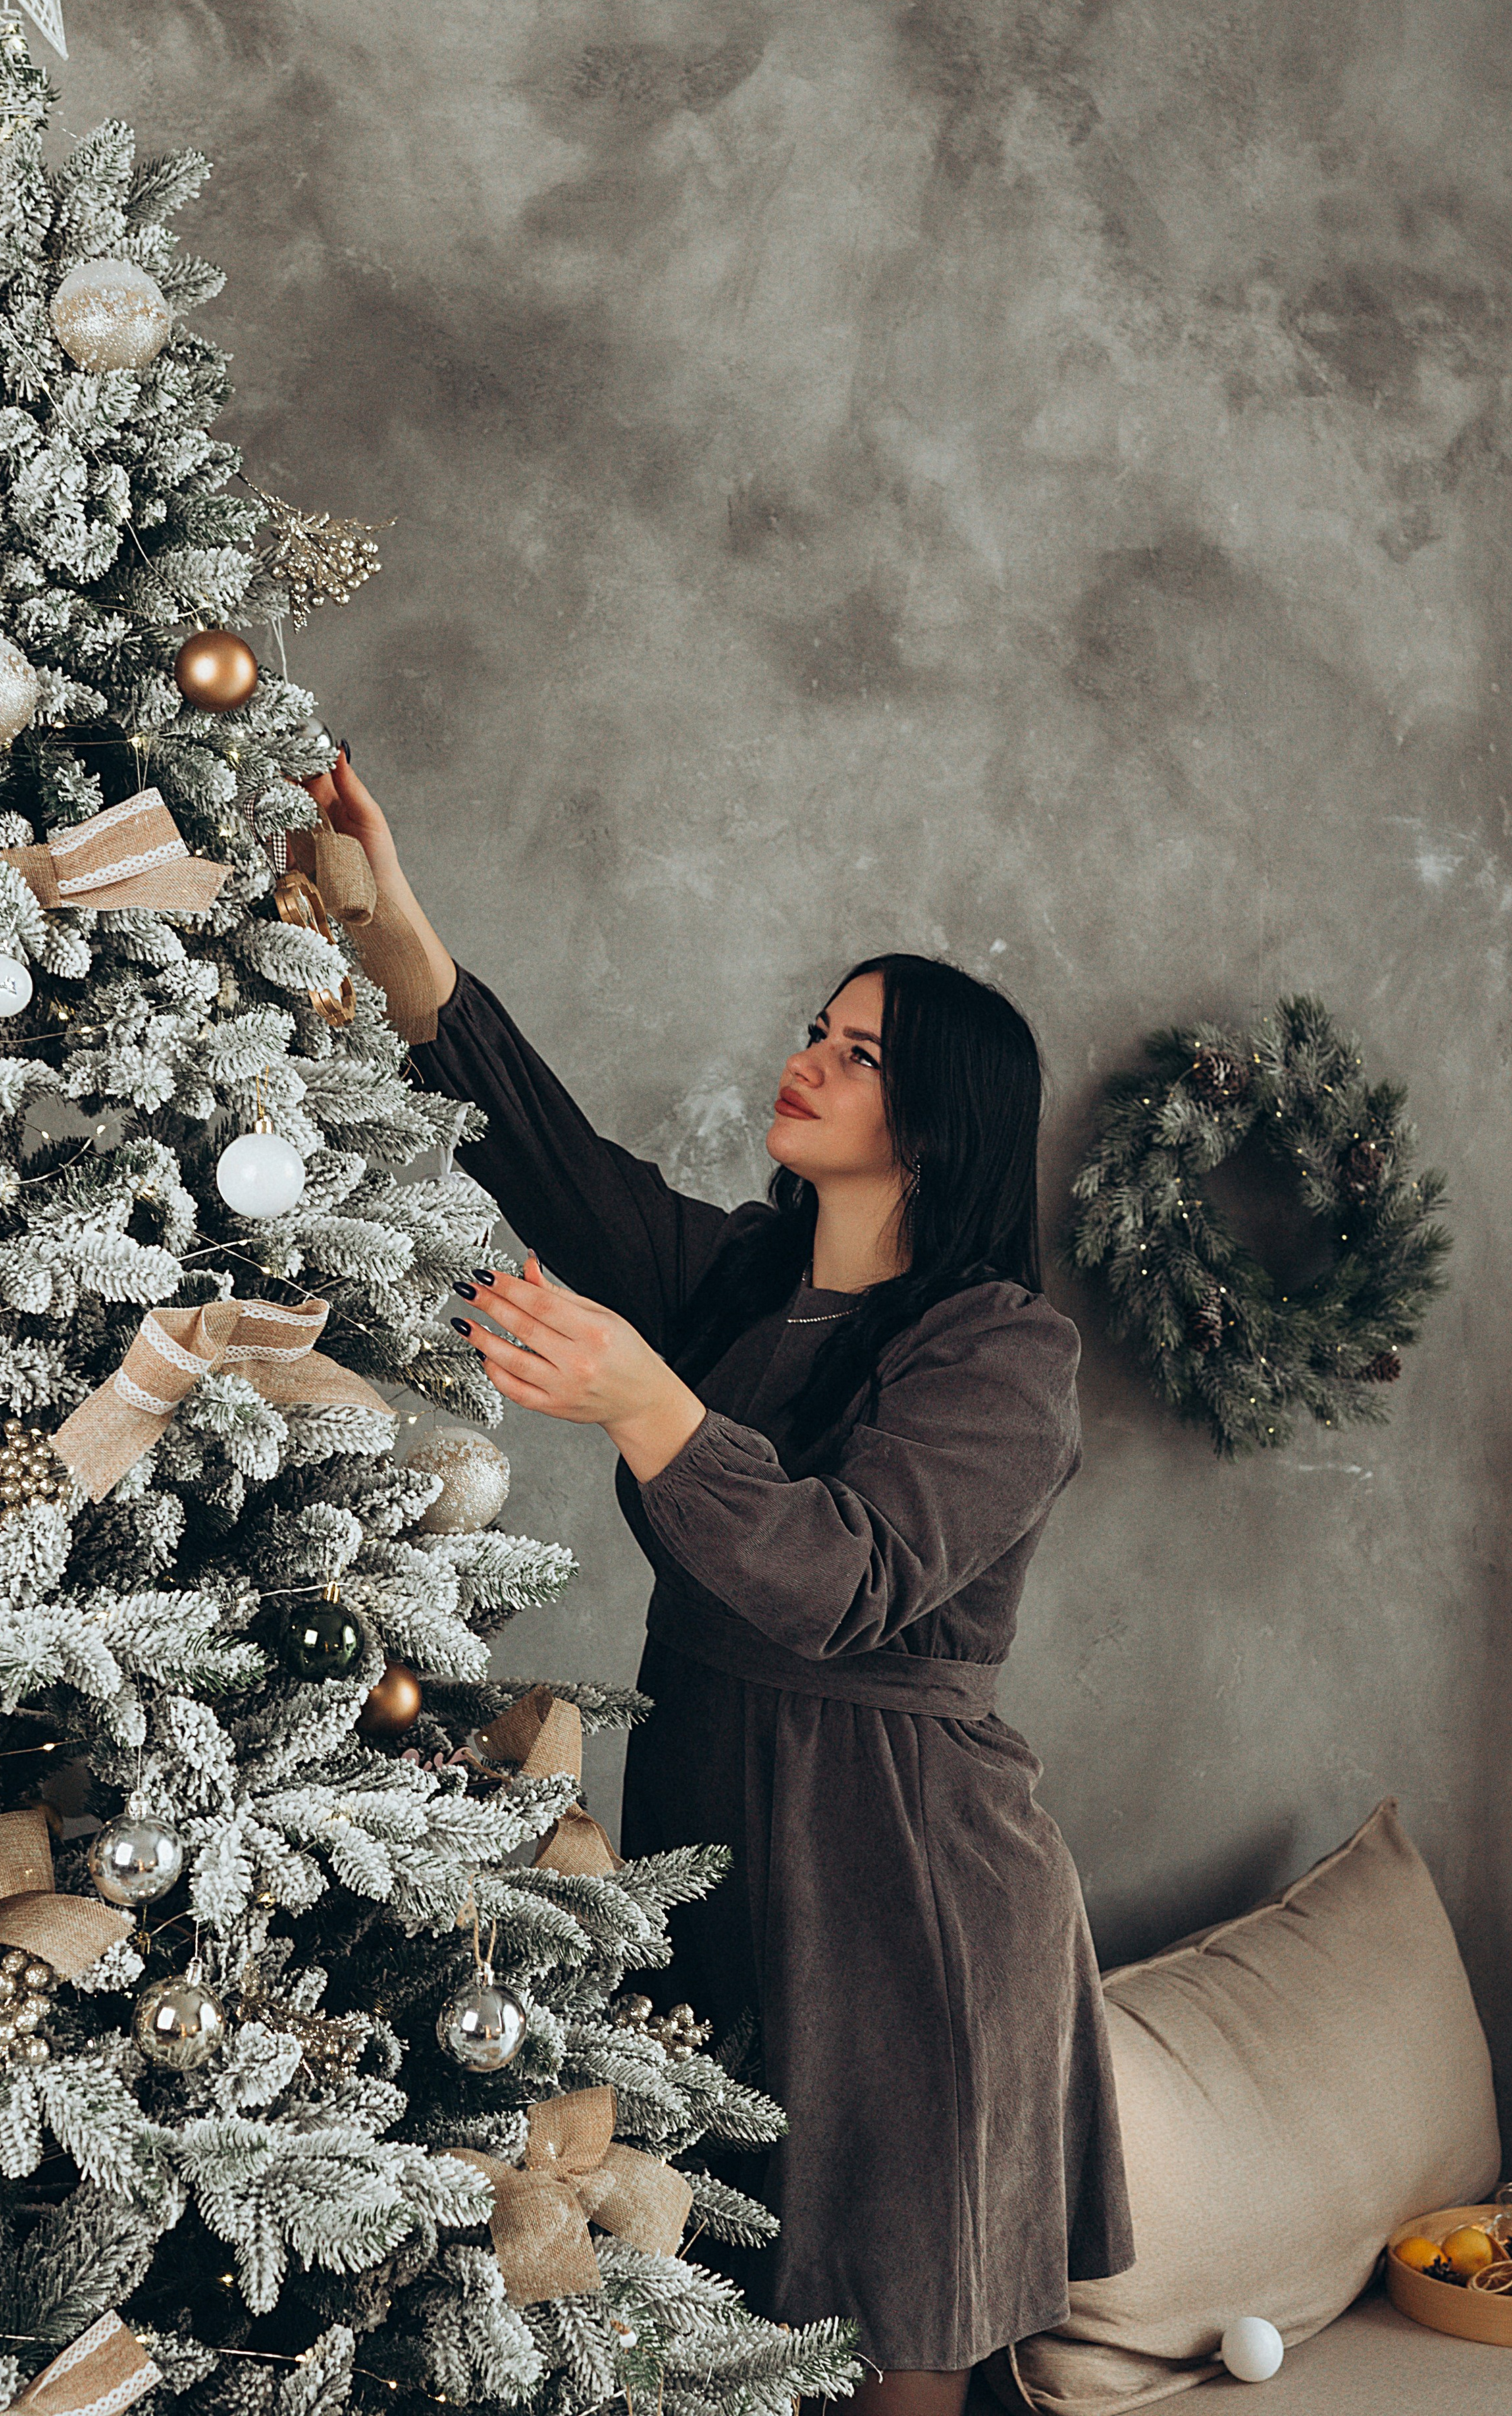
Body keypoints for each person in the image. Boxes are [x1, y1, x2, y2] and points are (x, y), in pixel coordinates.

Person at [304, 751, 1136, 2416]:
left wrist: (644, 1404)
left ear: (938, 1117)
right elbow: (553, 1159)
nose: (806, 1059)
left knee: (892, 2311)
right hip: (714, 1824)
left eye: (857, 1052)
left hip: (909, 1879)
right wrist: (401, 933)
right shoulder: (742, 1283)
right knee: (725, 2301)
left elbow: (846, 1575)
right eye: (814, 1028)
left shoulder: (1003, 1351)